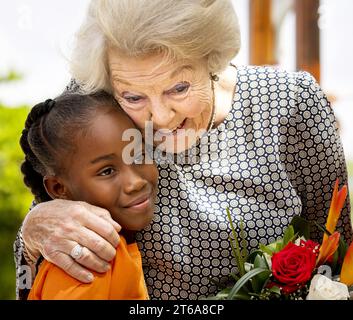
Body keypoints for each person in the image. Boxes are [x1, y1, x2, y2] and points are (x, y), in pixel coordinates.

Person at [15, 0, 352, 300]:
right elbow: (30, 270)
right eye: (134, 97)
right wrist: (33, 231)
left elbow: (340, 260)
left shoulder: (290, 103)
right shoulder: (94, 104)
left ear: (212, 59)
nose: (160, 117)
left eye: (178, 88)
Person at [19, 92, 158, 299]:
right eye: (107, 171)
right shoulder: (87, 263)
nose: (135, 182)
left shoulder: (116, 247)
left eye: (138, 155)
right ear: (58, 188)